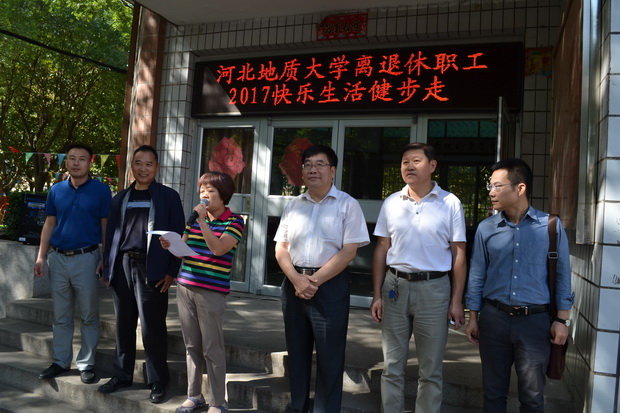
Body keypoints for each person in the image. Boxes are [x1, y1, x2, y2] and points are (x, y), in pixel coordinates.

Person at [465, 158, 573, 412]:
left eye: (497, 186)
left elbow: (562, 276)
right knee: (493, 394)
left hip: (535, 322)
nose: (491, 192)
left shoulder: (550, 226)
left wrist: (562, 320)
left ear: (520, 188)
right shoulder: (486, 228)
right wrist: (473, 317)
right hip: (494, 319)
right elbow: (477, 274)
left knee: (533, 398)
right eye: (490, 186)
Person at [370, 142, 467, 413]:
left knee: (431, 369)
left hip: (434, 289)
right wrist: (376, 294)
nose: (409, 166)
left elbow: (459, 253)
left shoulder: (450, 203)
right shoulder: (391, 202)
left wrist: (457, 300)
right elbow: (381, 249)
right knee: (392, 365)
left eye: (416, 161)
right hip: (395, 286)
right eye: (405, 162)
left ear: (432, 165)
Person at [274, 145, 369, 413]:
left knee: (330, 356)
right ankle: (297, 407)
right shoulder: (294, 205)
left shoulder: (347, 204)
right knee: (297, 353)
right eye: (307, 165)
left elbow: (349, 251)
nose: (312, 169)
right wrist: (296, 279)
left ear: (333, 171)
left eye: (319, 164)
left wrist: (312, 281)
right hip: (294, 284)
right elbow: (281, 248)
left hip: (330, 286)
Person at [98, 145, 185, 404]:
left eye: (148, 164)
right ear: (131, 166)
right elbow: (112, 235)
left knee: (152, 327)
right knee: (123, 324)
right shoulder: (120, 198)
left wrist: (171, 272)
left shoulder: (168, 197)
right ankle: (121, 374)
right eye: (138, 163)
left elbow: (178, 236)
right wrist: (107, 264)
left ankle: (157, 380)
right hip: (123, 266)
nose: (143, 168)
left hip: (153, 269)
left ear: (157, 167)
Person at [161, 171, 244, 413]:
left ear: (223, 194)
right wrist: (170, 244)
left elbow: (218, 249)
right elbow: (182, 250)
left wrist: (203, 222)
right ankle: (194, 395)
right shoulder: (195, 219)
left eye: (210, 191)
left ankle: (218, 402)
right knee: (191, 346)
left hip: (212, 291)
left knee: (212, 347)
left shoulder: (235, 221)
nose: (204, 195)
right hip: (185, 285)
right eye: (202, 190)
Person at [34, 143, 112, 384]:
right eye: (71, 158)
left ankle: (86, 364)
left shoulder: (101, 191)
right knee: (61, 315)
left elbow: (105, 227)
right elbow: (50, 223)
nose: (76, 163)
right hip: (57, 258)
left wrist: (105, 258)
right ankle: (60, 361)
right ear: (65, 161)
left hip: (87, 259)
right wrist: (41, 256)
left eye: (82, 158)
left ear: (90, 162)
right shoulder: (56, 190)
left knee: (89, 315)